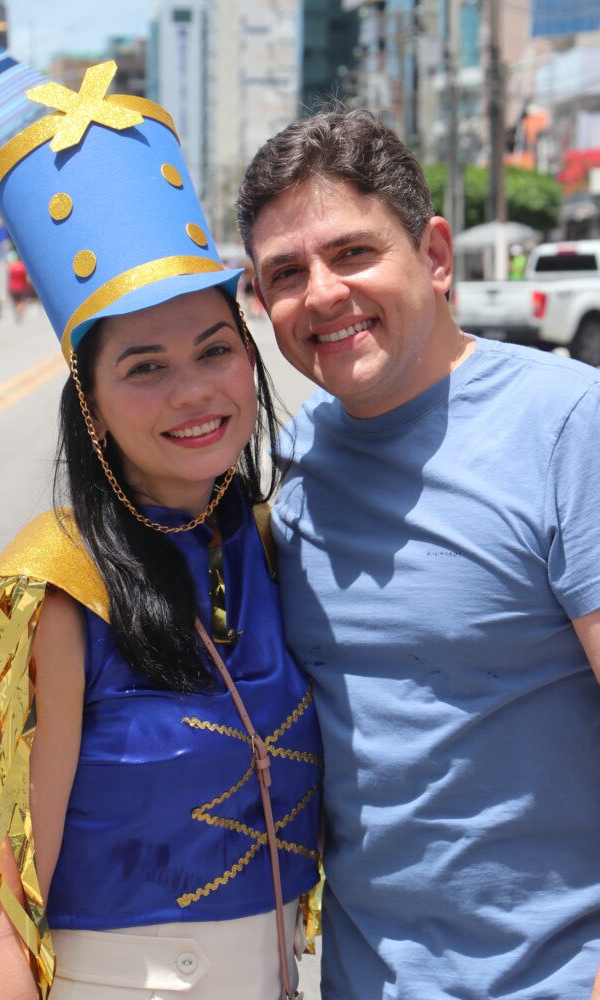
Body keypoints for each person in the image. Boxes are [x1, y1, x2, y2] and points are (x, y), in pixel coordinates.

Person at [0, 62, 321, 1000]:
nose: (193, 392)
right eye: (144, 367)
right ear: (93, 408)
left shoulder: (278, 546)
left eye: (215, 350)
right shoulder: (51, 590)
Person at [236, 108, 600, 1000]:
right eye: (286, 273)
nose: (322, 293)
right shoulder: (293, 465)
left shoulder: (566, 425)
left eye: (351, 253)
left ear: (433, 256)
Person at [6, 249, 30, 321]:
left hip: (13, 287)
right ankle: (19, 312)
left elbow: (9, 278)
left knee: (15, 301)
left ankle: (18, 311)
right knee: (22, 301)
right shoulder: (22, 265)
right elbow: (26, 277)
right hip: (22, 286)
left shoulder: (10, 267)